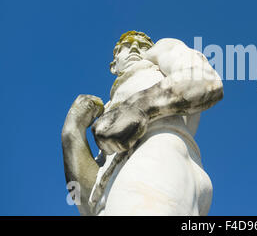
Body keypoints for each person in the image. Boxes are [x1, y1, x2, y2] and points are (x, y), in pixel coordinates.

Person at [62, 31, 223, 215]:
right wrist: (72, 131)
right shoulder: (110, 110)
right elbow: (89, 202)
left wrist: (137, 109)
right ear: (114, 66)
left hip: (157, 153)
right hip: (121, 184)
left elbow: (204, 79)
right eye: (126, 46)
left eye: (143, 45)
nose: (136, 48)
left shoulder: (157, 61)